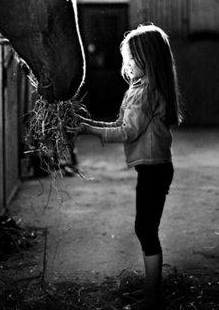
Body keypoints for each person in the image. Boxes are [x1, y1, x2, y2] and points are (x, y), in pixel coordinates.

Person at [71, 24, 182, 309]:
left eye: (132, 59)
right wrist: (90, 125)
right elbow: (122, 125)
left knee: (145, 229)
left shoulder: (145, 93)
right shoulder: (143, 89)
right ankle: (151, 291)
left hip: (154, 169)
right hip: (153, 168)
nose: (126, 65)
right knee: (145, 227)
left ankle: (153, 296)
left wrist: (88, 130)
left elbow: (127, 132)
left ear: (149, 60)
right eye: (126, 59)